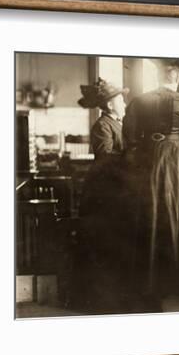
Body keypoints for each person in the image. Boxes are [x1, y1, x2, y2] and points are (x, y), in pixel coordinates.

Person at [123, 59, 179, 302]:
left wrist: (144, 148)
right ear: (177, 79)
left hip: (151, 157)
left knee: (154, 211)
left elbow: (128, 135)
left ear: (158, 77)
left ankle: (150, 278)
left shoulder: (141, 100)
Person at [76, 78, 130, 312]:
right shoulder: (103, 126)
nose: (124, 103)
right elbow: (106, 158)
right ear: (109, 105)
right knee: (104, 244)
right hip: (104, 192)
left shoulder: (118, 123)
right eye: (120, 99)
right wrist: (131, 157)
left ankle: (113, 297)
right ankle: (99, 300)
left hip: (115, 190)